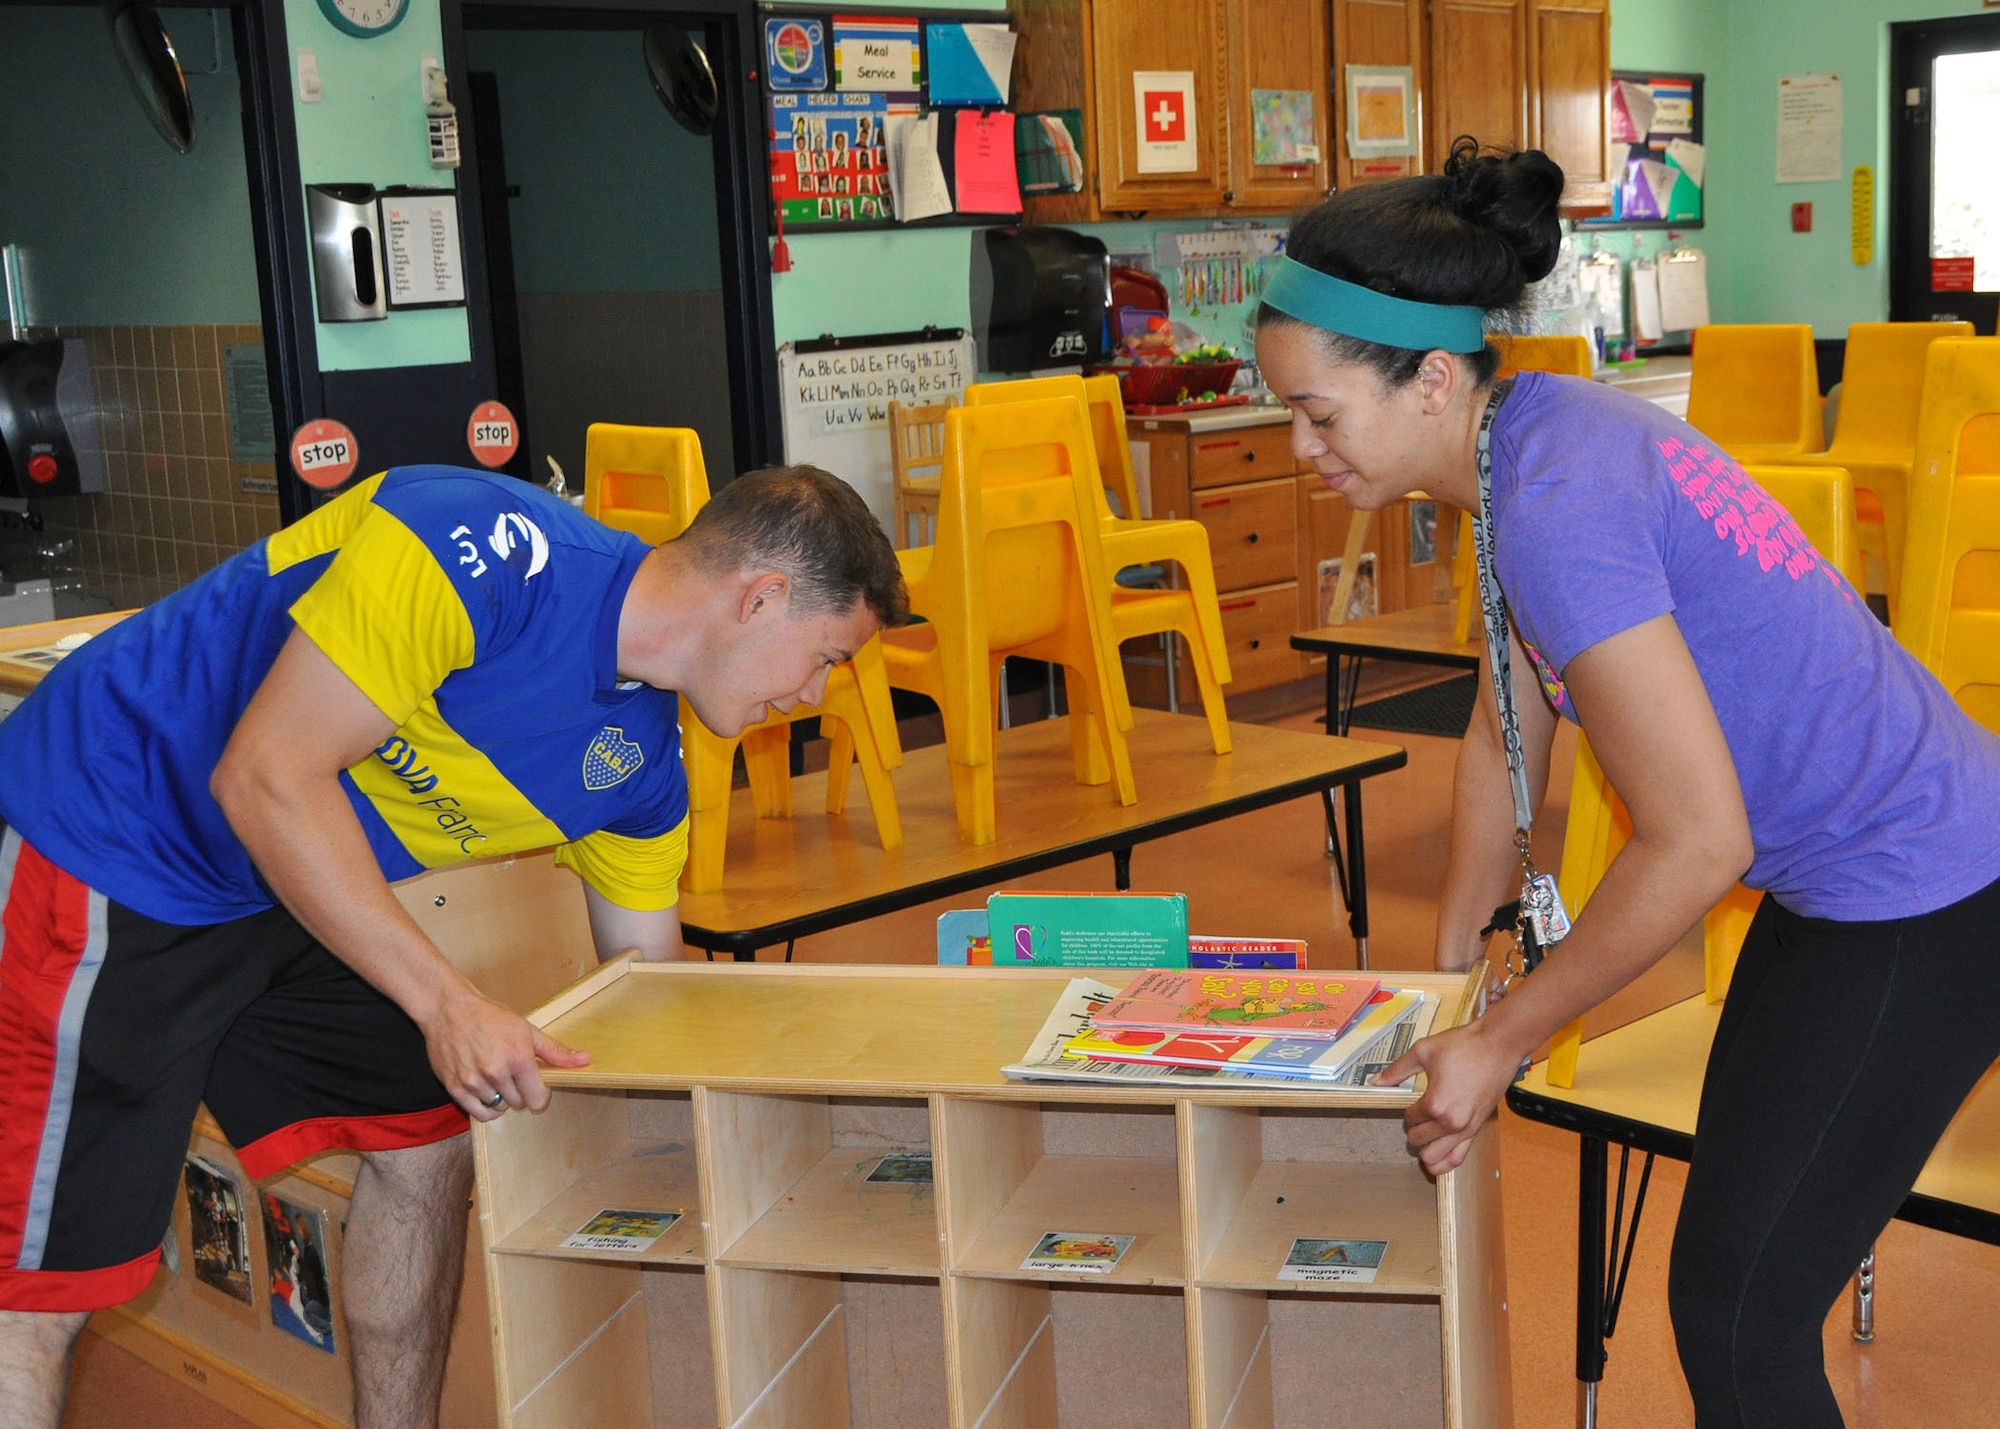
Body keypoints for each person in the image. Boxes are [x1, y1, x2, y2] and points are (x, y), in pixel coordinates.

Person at [1257, 137, 2000, 1426]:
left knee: (1740, 1316)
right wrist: (1453, 970)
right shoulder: (1529, 441)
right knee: (1730, 1297)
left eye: (1317, 414)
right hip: (1864, 873)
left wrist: (1501, 1038)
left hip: (1923, 888)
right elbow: (1503, 719)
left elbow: (1696, 841)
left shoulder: (1552, 502)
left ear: (1427, 379)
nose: (1298, 446)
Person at [0, 460, 905, 1429]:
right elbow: (264, 777)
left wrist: (769, 1134)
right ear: (761, 597)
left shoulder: (641, 766)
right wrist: (448, 1004)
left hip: (280, 875)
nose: (815, 693)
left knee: (429, 1139)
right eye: (827, 657)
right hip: (112, 824)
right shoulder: (473, 545)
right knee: (44, 1289)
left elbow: (646, 992)